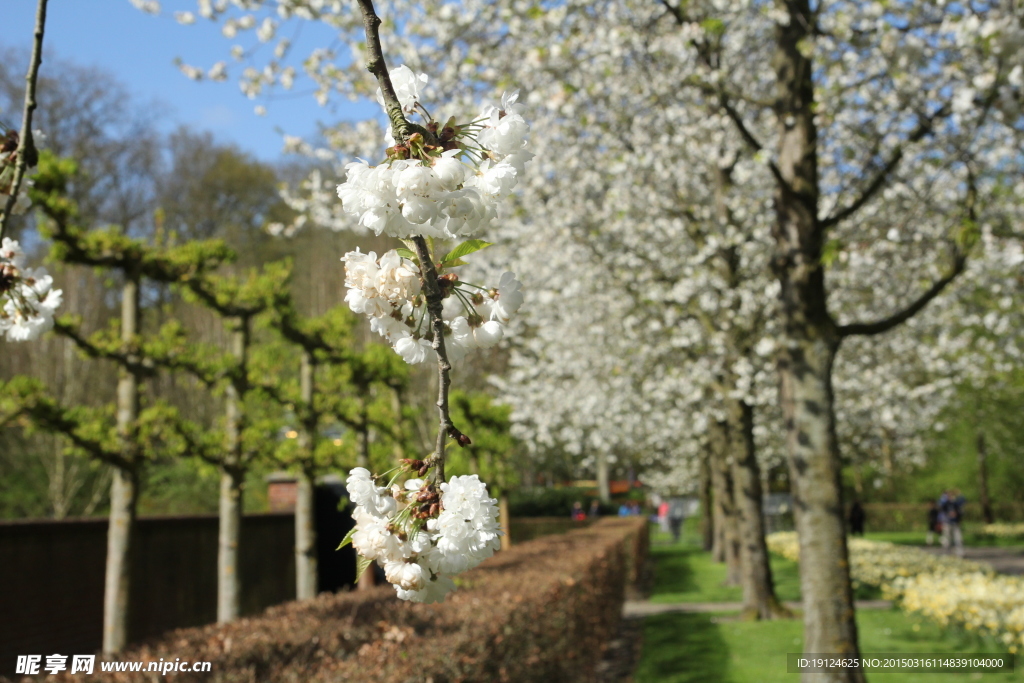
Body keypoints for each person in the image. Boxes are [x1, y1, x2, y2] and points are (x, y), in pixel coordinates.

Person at [940, 489, 965, 557]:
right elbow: (940, 505)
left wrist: (959, 494)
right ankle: (948, 553)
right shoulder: (945, 504)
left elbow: (963, 501)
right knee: (947, 539)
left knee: (958, 538)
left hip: (955, 523)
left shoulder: (956, 504)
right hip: (947, 523)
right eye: (949, 495)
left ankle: (959, 553)